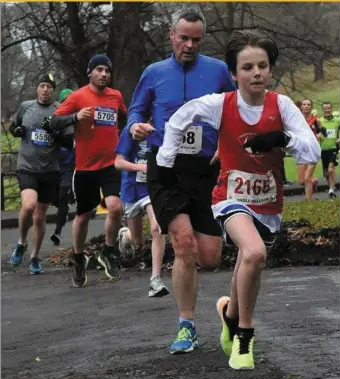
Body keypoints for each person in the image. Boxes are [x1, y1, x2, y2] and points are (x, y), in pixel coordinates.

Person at [155, 30, 321, 369]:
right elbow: (178, 120)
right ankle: (245, 337)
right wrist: (165, 160)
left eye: (262, 66)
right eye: (247, 67)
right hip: (229, 198)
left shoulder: (282, 105)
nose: (256, 73)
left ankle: (229, 315)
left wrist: (283, 138)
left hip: (268, 203)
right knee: (254, 252)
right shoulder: (221, 104)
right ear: (234, 74)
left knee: (250, 263)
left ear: (270, 70)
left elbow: (312, 150)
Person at [127, 5, 235, 354]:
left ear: (202, 39)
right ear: (171, 36)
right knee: (183, 242)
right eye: (183, 38)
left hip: (206, 169)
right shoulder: (155, 72)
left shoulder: (218, 71)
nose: (189, 45)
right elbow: (136, 109)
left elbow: (234, 111)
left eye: (196, 39)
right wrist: (135, 126)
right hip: (166, 167)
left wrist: (227, 147)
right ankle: (186, 326)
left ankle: (225, 311)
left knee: (210, 258)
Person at [50, 54, 127, 287]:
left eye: (107, 71)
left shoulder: (115, 96)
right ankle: (78, 256)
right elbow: (53, 122)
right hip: (85, 167)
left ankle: (108, 250)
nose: (104, 74)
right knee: (83, 215)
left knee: (115, 207)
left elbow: (125, 116)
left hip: (110, 163)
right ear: (90, 72)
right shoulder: (78, 97)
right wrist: (75, 116)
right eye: (99, 70)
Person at [9, 74, 73, 274]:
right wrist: (16, 130)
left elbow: (69, 142)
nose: (45, 90)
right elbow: (13, 126)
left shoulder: (59, 111)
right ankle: (21, 242)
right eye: (42, 86)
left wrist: (56, 133)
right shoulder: (26, 107)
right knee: (28, 206)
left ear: (53, 91)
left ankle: (35, 257)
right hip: (27, 166)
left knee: (40, 216)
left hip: (50, 169)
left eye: (49, 87)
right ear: (37, 89)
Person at [115, 126, 169, 297]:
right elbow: (118, 162)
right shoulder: (131, 130)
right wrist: (142, 168)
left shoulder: (161, 128)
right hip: (131, 189)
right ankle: (125, 236)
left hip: (150, 189)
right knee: (137, 240)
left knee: (156, 228)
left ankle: (155, 279)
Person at [50, 89, 75, 246]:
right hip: (54, 164)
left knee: (64, 192)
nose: (68, 103)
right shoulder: (57, 118)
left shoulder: (76, 120)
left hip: (71, 164)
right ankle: (63, 211)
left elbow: (70, 142)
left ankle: (58, 230)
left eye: (70, 100)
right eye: (64, 100)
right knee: (54, 198)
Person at [296, 98, 321, 200]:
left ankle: (309, 201)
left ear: (311, 107)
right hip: (301, 151)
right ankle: (314, 181)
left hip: (313, 151)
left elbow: (321, 132)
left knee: (307, 178)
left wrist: (319, 136)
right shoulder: (297, 120)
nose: (306, 106)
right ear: (301, 107)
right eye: (304, 104)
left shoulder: (316, 120)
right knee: (302, 181)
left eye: (308, 104)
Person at [319, 102, 340, 199]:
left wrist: (339, 138)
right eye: (325, 109)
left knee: (331, 169)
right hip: (323, 149)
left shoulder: (337, 120)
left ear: (331, 109)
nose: (327, 110)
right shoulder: (320, 121)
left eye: (329, 108)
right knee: (326, 173)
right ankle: (331, 186)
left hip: (334, 148)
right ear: (323, 110)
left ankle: (331, 190)